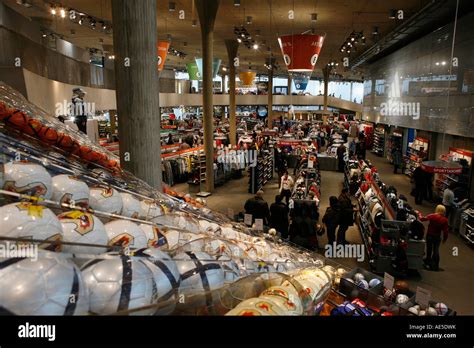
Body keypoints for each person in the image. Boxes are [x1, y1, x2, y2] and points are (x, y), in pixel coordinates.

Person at [420, 205, 449, 271]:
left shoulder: (432, 216)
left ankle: (428, 262)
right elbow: (445, 231)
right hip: (437, 236)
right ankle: (435, 265)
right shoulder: (445, 220)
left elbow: (422, 219)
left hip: (429, 235)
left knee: (429, 249)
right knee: (436, 250)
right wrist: (445, 239)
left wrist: (419, 213)